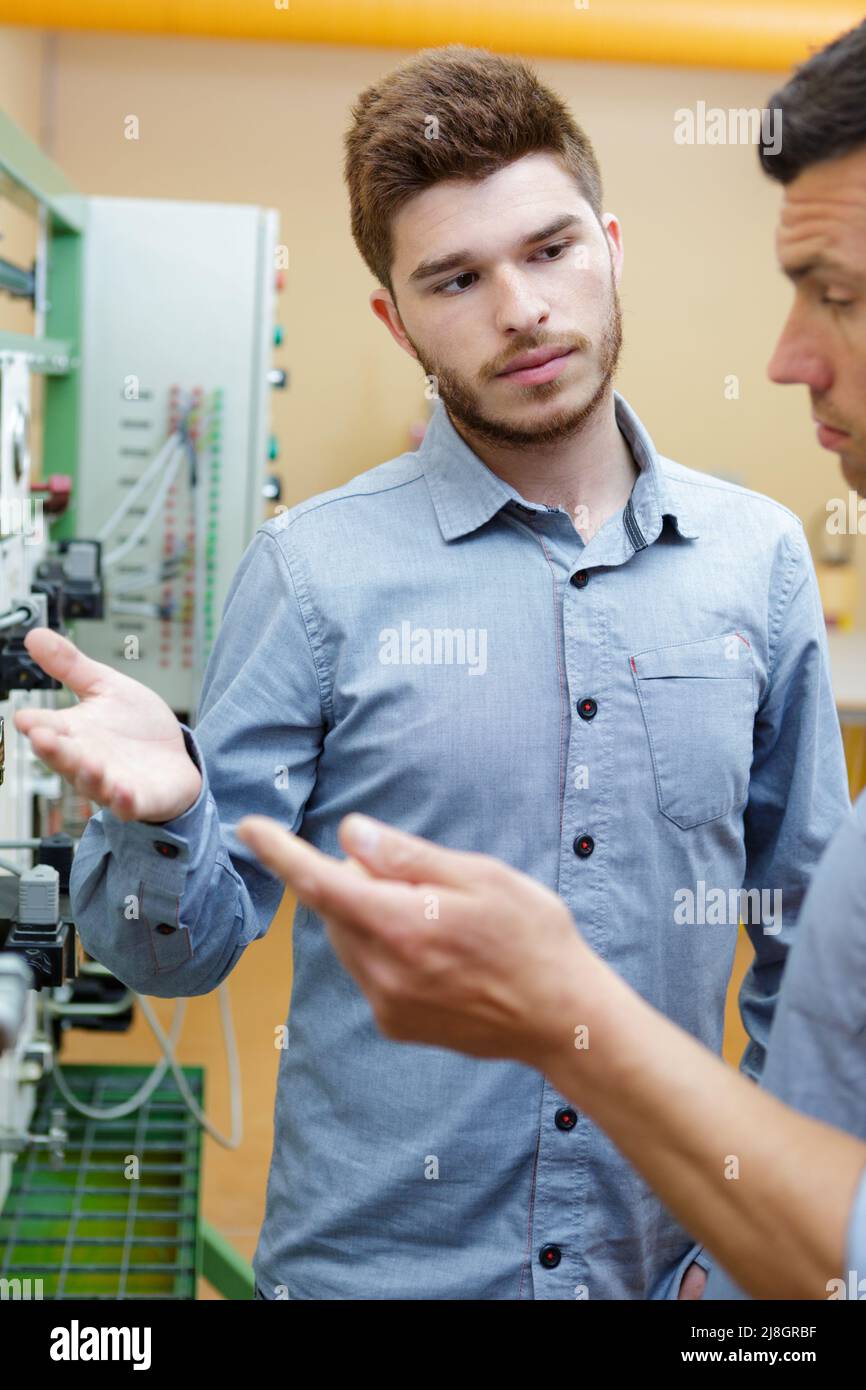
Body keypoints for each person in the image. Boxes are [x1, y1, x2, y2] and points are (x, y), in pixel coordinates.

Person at [14, 45, 849, 1301]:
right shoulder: (314, 571)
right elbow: (173, 957)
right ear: (394, 319)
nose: (519, 307)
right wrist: (167, 817)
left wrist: (745, 1258)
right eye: (455, 278)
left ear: (610, 245)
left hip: (662, 1273)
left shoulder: (757, 562)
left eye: (550, 249)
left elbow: (802, 939)